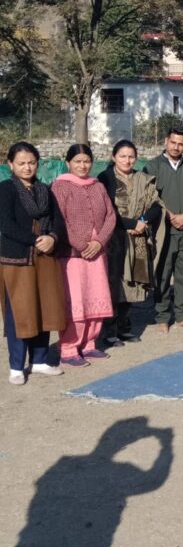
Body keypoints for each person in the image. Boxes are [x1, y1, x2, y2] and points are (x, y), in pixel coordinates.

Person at [0, 142, 66, 384]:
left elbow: (58, 220)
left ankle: (39, 360)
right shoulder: (6, 189)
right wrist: (37, 240)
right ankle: (17, 366)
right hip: (17, 259)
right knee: (20, 311)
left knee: (44, 308)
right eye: (21, 163)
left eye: (31, 162)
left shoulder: (44, 190)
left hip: (45, 257)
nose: (27, 167)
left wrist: (53, 237)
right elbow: (6, 224)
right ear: (10, 164)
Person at [51, 144, 117, 366]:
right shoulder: (60, 186)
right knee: (76, 302)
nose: (82, 165)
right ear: (68, 162)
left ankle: (89, 343)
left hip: (97, 254)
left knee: (96, 297)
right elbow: (60, 220)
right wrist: (81, 245)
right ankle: (69, 348)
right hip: (72, 255)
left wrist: (99, 242)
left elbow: (111, 216)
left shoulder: (98, 186)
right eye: (77, 161)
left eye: (86, 161)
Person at [97, 140, 161, 346]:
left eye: (131, 156)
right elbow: (105, 210)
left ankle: (124, 328)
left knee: (132, 282)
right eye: (122, 156)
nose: (127, 160)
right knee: (114, 282)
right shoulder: (105, 178)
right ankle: (109, 330)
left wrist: (142, 222)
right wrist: (131, 224)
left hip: (137, 238)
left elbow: (156, 206)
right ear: (114, 157)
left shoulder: (143, 179)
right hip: (114, 238)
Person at [145, 128, 183, 332]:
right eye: (173, 142)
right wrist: (170, 216)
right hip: (164, 230)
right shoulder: (153, 166)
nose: (176, 147)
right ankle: (162, 316)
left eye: (181, 144)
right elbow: (150, 197)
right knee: (163, 273)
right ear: (166, 141)